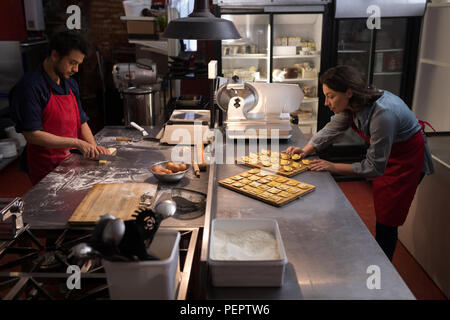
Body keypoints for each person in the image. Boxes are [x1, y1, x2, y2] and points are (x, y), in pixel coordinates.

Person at [284, 65, 434, 261]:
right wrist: (306, 150)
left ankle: (383, 269)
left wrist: (333, 166)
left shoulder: (383, 114)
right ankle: (378, 256)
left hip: (405, 160)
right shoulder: (353, 103)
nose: (326, 103)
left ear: (349, 92)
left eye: (331, 96)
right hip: (386, 156)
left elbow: (374, 167)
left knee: (388, 221)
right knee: (382, 211)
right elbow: (332, 128)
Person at [10, 31, 110, 185]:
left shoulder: (70, 84)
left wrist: (93, 148)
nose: (76, 69)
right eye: (72, 63)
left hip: (69, 160)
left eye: (78, 64)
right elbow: (32, 134)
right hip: (45, 167)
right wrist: (77, 143)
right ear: (55, 55)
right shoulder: (30, 87)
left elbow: (81, 121)